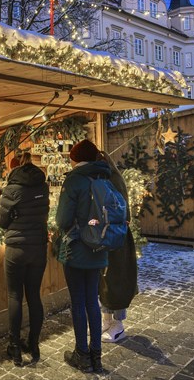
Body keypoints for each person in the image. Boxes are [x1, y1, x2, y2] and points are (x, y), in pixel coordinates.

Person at [55, 139, 108, 373]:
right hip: (98, 247)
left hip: (76, 249)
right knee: (92, 301)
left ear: (74, 158)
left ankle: (82, 354)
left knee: (78, 303)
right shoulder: (105, 176)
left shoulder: (74, 179)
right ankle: (96, 354)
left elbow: (62, 220)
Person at [0, 152, 50, 366]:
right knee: (34, 295)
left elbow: (1, 220)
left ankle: (14, 347)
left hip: (16, 248)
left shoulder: (11, 189)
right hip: (38, 247)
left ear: (14, 169)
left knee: (15, 296)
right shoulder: (42, 186)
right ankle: (34, 343)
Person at [97, 151, 138, 343]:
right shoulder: (109, 179)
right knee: (105, 281)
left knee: (117, 280)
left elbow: (121, 213)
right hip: (110, 236)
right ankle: (106, 320)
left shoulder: (111, 181)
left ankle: (118, 324)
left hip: (116, 237)